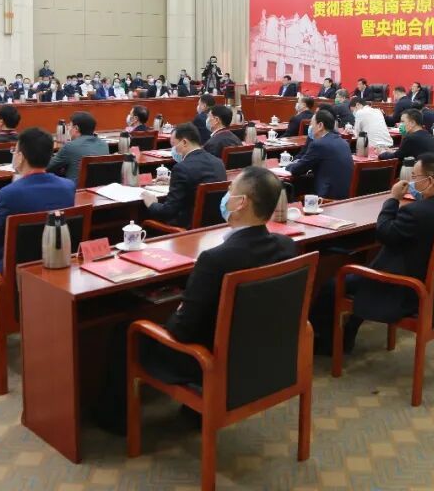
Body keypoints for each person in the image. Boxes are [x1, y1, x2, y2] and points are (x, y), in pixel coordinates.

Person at [95, 165, 296, 433]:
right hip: (260, 355)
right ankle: (193, 411)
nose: (225, 195)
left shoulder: (215, 259)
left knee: (126, 331)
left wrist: (178, 310)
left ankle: (114, 421)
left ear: (241, 203)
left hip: (208, 361)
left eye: (230, 190)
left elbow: (182, 331)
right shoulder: (287, 247)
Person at [311, 154, 434, 353]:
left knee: (333, 285)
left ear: (429, 181)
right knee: (366, 271)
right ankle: (347, 333)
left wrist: (393, 199)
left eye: (415, 177)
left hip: (406, 288)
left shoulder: (416, 212)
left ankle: (325, 342)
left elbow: (384, 233)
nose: (412, 182)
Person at [0, 128, 76, 306]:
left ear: (21, 157)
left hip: (10, 274)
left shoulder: (8, 194)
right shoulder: (68, 186)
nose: (14, 155)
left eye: (15, 151)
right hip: (54, 265)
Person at [141, 123, 227, 228]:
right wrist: (173, 180)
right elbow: (198, 180)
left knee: (144, 218)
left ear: (184, 142)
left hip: (187, 228)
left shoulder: (181, 168)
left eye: (173, 145)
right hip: (215, 226)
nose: (173, 150)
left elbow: (167, 212)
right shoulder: (218, 162)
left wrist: (152, 204)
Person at [286, 109, 353, 199]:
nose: (310, 127)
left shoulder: (319, 144)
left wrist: (288, 166)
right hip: (344, 196)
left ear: (320, 125)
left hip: (325, 197)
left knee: (290, 190)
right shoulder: (344, 142)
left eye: (312, 124)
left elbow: (298, 169)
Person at [46, 111, 110, 181]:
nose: (68, 129)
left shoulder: (70, 146)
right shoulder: (104, 145)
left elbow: (46, 167)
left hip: (75, 187)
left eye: (69, 125)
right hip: (99, 186)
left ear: (76, 128)